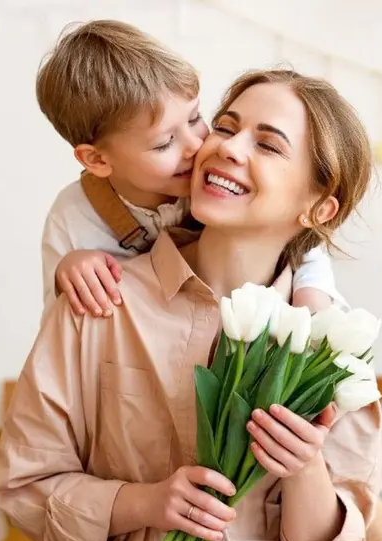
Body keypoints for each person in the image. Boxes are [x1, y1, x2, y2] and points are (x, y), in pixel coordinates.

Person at [0, 68, 382, 541]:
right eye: (225, 127)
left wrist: (304, 468)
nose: (227, 147)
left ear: (319, 207)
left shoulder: (334, 347)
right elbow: (24, 489)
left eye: (268, 145)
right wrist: (142, 503)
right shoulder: (96, 302)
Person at [36, 20, 343, 320]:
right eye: (164, 143)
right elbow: (59, 329)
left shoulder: (210, 180)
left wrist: (312, 288)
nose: (195, 145)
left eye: (195, 118)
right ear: (98, 160)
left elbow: (297, 237)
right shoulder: (73, 216)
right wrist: (68, 269)